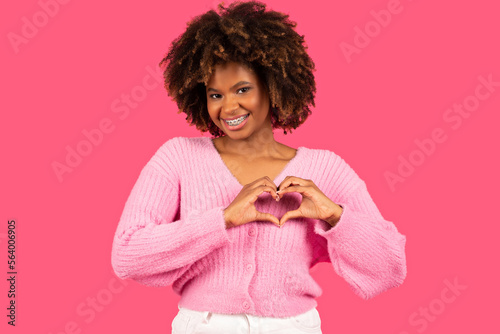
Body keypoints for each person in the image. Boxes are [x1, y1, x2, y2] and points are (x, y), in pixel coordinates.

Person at [111, 1, 407, 333]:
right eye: (215, 94)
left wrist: (334, 214)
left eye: (242, 89)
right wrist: (221, 220)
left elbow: (390, 268)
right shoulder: (178, 157)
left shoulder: (325, 168)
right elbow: (128, 254)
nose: (228, 107)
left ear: (272, 85)